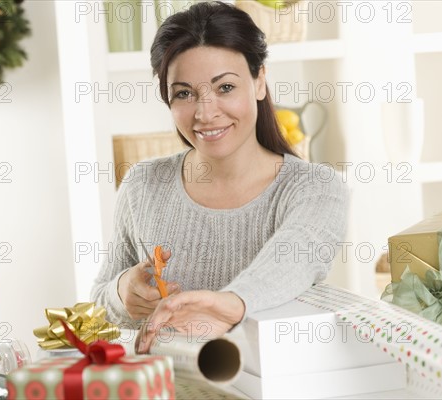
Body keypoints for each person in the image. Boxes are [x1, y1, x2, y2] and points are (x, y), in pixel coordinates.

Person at [90, 1, 348, 353]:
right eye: (184, 93)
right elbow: (98, 307)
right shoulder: (143, 185)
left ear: (259, 82)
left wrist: (230, 305)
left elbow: (293, 260)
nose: (205, 112)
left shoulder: (316, 188)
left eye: (225, 87)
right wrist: (122, 292)